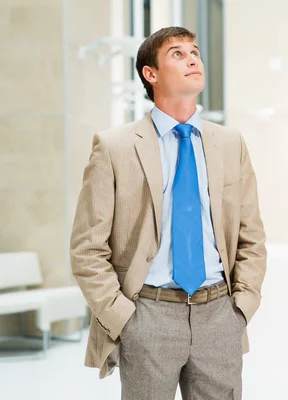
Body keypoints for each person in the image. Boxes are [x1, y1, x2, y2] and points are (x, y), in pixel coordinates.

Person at [70, 26, 267, 400]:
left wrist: (241, 307)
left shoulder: (229, 143)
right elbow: (86, 249)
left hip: (218, 315)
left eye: (195, 51)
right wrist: (123, 318)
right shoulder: (114, 147)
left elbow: (251, 235)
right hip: (148, 315)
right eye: (177, 53)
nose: (193, 58)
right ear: (151, 74)